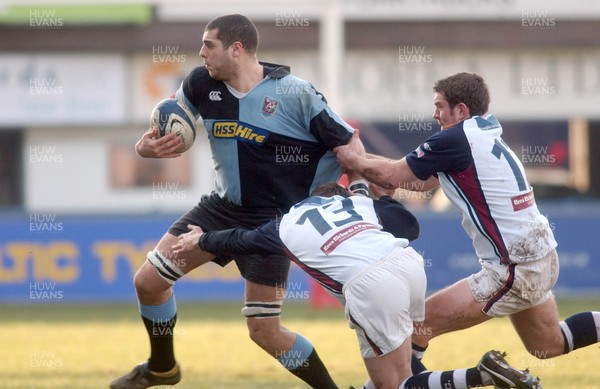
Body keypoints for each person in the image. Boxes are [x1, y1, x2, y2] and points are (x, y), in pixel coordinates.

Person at [110, 14, 357, 389]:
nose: (201, 52)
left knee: (264, 332)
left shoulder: (295, 93)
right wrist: (145, 147)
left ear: (237, 49)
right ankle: (163, 368)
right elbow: (170, 119)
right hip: (220, 209)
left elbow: (349, 144)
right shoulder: (199, 84)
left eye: (209, 45)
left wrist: (358, 191)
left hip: (274, 221)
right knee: (148, 281)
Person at [334, 72, 600, 377]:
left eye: (439, 106)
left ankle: (472, 377)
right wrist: (362, 161)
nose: (434, 114)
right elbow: (418, 182)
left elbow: (392, 177)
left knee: (417, 328)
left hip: (514, 268)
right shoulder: (482, 132)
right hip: (541, 258)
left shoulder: (454, 139)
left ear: (460, 110)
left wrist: (350, 158)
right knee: (549, 344)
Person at [172, 182, 542, 389]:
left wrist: (200, 241)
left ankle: (482, 374)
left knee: (394, 385)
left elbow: (241, 240)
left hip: (371, 286)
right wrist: (373, 191)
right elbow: (409, 227)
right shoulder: (358, 204)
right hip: (407, 266)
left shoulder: (284, 224)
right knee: (402, 363)